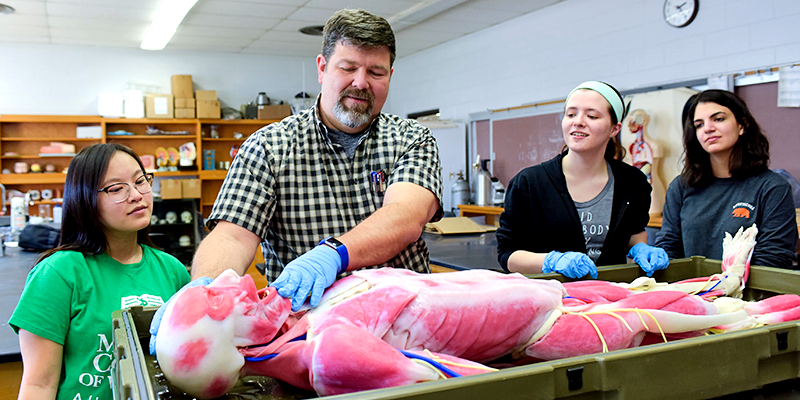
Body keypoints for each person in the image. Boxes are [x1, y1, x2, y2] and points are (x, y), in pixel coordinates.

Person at [148, 8, 443, 356]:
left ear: (389, 76)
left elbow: (406, 216)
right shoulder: (269, 147)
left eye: (375, 72)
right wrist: (204, 292)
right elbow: (231, 235)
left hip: (411, 331)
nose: (361, 82)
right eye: (347, 68)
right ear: (322, 68)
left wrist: (334, 255)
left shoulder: (412, 138)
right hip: (308, 337)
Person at [10, 143, 190, 400]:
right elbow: (38, 386)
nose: (137, 195)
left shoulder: (173, 270)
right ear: (84, 199)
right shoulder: (59, 273)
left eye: (141, 181)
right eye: (117, 189)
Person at [496, 81, 669, 279]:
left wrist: (640, 249)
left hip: (610, 298)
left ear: (614, 129)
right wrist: (551, 262)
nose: (578, 121)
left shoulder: (633, 183)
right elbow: (508, 255)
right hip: (550, 299)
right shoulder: (529, 183)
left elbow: (634, 233)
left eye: (592, 116)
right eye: (571, 114)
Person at [655, 89, 797, 268]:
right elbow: (669, 246)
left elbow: (774, 259)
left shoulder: (772, 187)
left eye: (718, 119)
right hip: (691, 291)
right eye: (699, 124)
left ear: (742, 125)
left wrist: (726, 288)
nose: (707, 128)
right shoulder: (681, 186)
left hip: (747, 293)